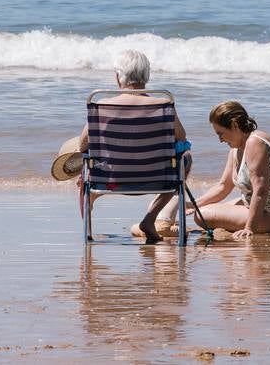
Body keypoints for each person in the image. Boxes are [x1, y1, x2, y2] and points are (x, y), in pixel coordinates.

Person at [78, 50, 188, 243]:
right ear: (147, 75)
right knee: (186, 159)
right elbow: (181, 137)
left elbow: (82, 145)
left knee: (88, 162)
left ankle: (91, 205)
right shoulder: (162, 103)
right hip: (158, 179)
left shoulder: (102, 105)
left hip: (109, 180)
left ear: (118, 77)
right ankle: (150, 218)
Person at [156, 100, 270, 239]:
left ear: (235, 125)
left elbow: (261, 189)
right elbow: (223, 186)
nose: (220, 139)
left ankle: (251, 225)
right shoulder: (237, 146)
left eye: (221, 133)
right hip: (262, 207)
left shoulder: (254, 143)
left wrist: (249, 228)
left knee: (203, 215)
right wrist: (193, 204)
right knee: (203, 210)